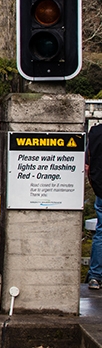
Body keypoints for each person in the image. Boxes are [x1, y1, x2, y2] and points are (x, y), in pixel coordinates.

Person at [86, 123, 102, 290]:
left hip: (101, 189)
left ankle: (95, 276)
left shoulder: (96, 132)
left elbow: (89, 164)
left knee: (100, 233)